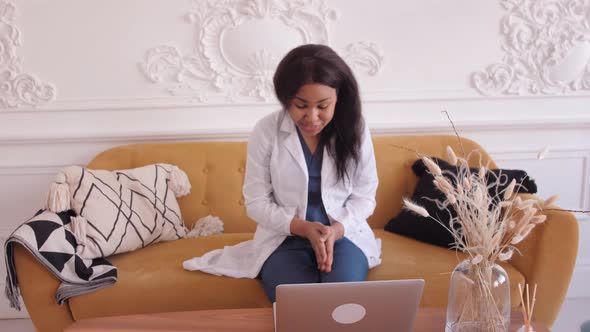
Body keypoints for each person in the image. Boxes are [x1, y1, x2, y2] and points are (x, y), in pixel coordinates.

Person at [183, 44, 382, 303]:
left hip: (344, 236)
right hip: (284, 238)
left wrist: (337, 230)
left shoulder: (355, 129)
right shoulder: (266, 131)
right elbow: (256, 203)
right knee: (296, 303)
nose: (312, 116)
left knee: (341, 301)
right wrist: (301, 227)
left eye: (323, 106)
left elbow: (365, 197)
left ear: (339, 98)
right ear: (286, 98)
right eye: (301, 105)